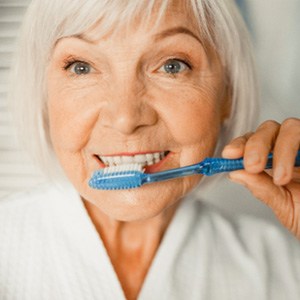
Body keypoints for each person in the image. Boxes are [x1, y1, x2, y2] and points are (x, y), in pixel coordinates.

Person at [1, 0, 299, 299]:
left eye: (172, 66)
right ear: (43, 96)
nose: (126, 118)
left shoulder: (280, 266)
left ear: (228, 95)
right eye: (82, 67)